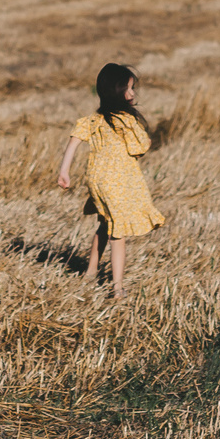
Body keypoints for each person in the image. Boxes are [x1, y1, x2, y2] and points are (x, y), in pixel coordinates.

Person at [56, 63, 166, 297]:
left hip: (97, 180)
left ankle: (90, 273)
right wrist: (144, 140)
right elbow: (139, 148)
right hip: (117, 182)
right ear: (115, 91)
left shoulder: (93, 120)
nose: (132, 93)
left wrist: (64, 171)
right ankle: (117, 288)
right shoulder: (125, 121)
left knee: (106, 224)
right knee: (119, 233)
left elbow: (74, 141)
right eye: (128, 88)